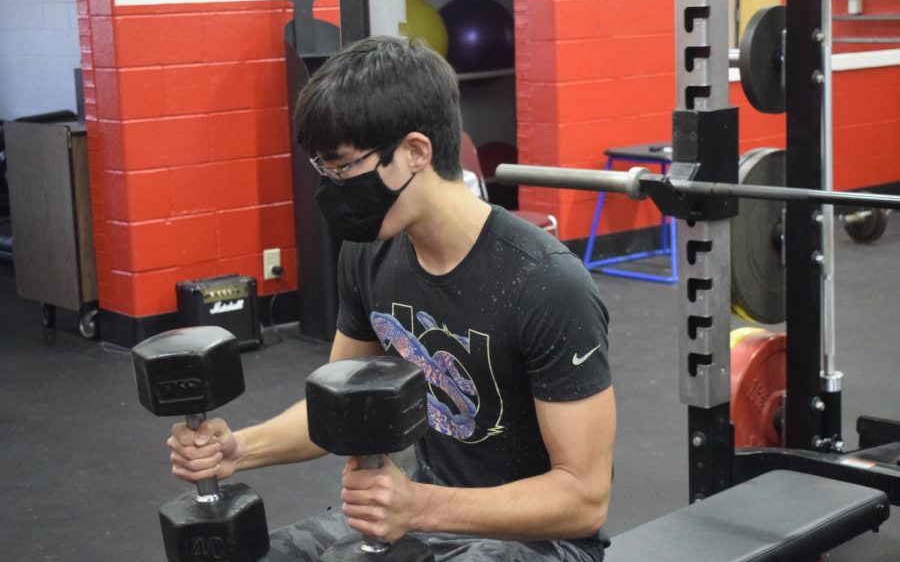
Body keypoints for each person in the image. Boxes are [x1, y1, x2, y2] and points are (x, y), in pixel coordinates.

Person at [167, 35, 616, 561]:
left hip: (542, 542)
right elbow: (337, 412)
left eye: (342, 168)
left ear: (415, 152)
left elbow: (584, 501)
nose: (332, 188)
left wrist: (417, 505)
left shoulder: (548, 285)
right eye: (323, 170)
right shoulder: (367, 255)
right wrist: (237, 449)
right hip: (423, 515)